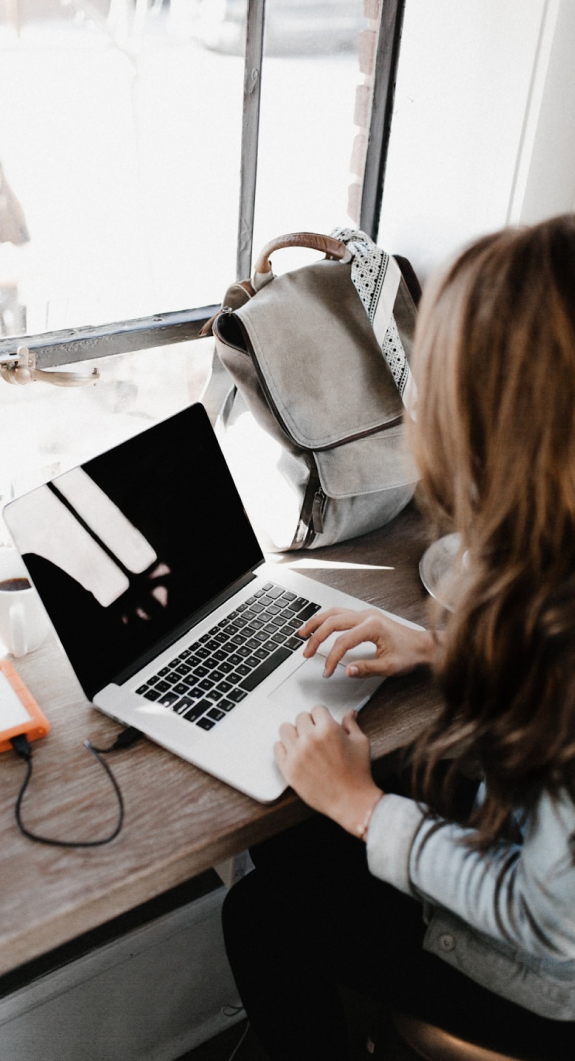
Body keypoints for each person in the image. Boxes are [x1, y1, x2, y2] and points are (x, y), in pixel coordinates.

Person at [221, 214, 575, 1060]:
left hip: (551, 984)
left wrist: (360, 805)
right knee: (302, 838)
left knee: (263, 911)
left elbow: (545, 918)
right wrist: (440, 652)